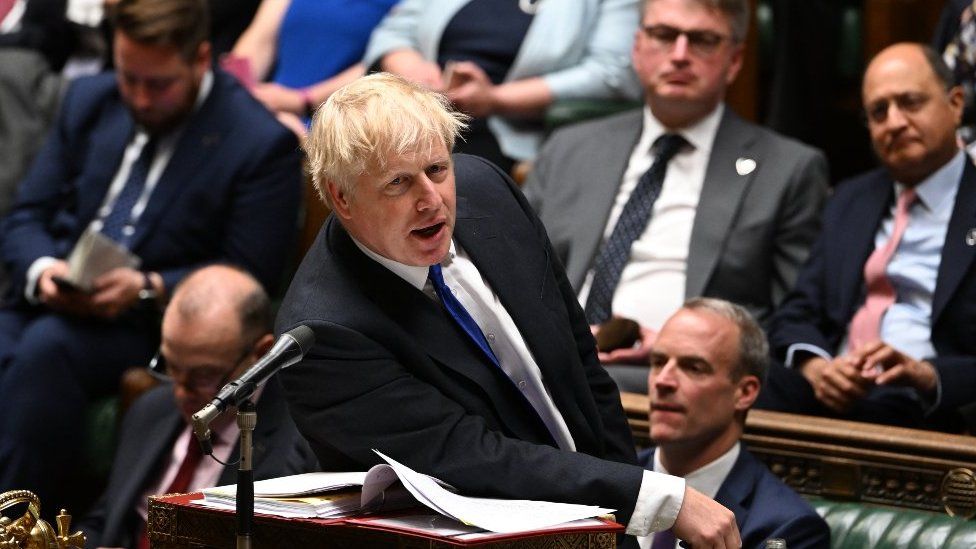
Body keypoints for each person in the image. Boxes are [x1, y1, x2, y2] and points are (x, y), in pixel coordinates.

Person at [277, 72, 740, 549]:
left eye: (437, 169)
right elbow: (472, 458)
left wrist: (622, 527)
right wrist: (650, 496)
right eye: (398, 183)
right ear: (341, 197)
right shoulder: (327, 332)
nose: (431, 201)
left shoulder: (486, 190)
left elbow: (581, 363)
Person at [0, 0, 302, 513]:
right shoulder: (90, 99)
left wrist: (149, 286)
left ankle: (16, 524)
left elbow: (249, 273)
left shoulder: (258, 143)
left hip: (149, 326)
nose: (140, 97)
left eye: (158, 84)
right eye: (128, 77)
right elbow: (27, 213)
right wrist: (44, 271)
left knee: (48, 352)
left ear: (201, 57)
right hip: (52, 297)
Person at [522, 0, 828, 392]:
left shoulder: (788, 169)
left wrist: (683, 349)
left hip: (676, 383)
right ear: (637, 47)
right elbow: (512, 274)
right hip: (549, 364)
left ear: (734, 60)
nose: (680, 56)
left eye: (702, 40)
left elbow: (794, 317)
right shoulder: (571, 148)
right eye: (664, 36)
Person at [758, 43, 976, 432]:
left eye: (910, 103)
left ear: (956, 103)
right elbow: (798, 311)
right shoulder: (850, 198)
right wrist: (816, 366)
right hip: (833, 388)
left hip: (928, 401)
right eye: (879, 111)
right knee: (738, 380)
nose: (894, 122)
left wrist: (926, 375)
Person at [79, 265, 318, 549]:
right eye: (171, 366)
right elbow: (104, 523)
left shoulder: (303, 444)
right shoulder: (150, 408)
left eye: (203, 375)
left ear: (260, 354)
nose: (180, 392)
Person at [362, 0, 643, 174]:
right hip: (413, 108)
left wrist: (495, 99)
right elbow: (395, 30)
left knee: (444, 174)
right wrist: (414, 71)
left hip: (502, 128)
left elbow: (612, 72)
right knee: (351, 156)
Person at [638, 298, 829, 548]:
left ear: (745, 392)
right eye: (658, 362)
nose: (662, 381)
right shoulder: (611, 480)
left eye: (693, 367)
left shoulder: (786, 528)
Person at [228, 0, 398, 131]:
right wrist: (238, 93)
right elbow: (259, 38)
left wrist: (300, 102)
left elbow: (379, 64)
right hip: (267, 107)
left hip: (337, 118)